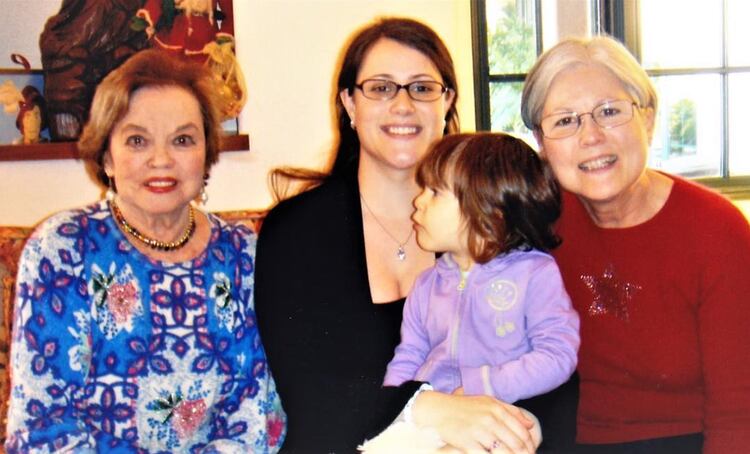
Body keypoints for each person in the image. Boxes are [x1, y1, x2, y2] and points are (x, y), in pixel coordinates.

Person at [255, 18, 554, 453]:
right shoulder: (295, 232)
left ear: (447, 102)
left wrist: (525, 427)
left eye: (421, 87)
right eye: (380, 88)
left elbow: (552, 358)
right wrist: (428, 408)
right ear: (349, 104)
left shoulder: (495, 221)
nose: (402, 105)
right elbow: (314, 396)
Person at [5, 49, 286, 453]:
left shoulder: (243, 255)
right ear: (107, 155)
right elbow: (44, 427)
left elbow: (257, 412)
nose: (161, 160)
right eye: (137, 140)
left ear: (206, 153)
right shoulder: (62, 249)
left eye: (183, 140)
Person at [521, 35, 750, 453]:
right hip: (567, 438)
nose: (590, 136)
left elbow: (739, 413)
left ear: (647, 119)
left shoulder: (717, 230)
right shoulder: (538, 224)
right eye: (565, 121)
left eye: (609, 112)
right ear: (541, 141)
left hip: (689, 440)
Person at [383, 133, 580, 448]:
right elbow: (409, 356)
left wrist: (485, 384)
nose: (417, 201)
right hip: (435, 417)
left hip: (500, 414)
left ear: (488, 213)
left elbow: (557, 356)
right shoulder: (426, 284)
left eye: (434, 192)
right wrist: (392, 407)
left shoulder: (534, 274)